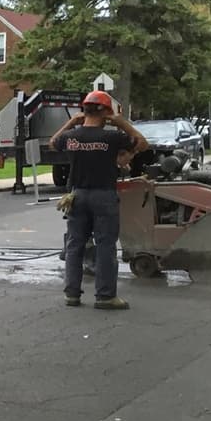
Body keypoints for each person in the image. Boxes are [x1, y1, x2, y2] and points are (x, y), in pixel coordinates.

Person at [49, 89, 148, 309]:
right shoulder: (112, 137)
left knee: (75, 245)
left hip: (76, 196)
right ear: (105, 113)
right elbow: (142, 144)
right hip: (103, 195)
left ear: (84, 111)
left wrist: (71, 122)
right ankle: (105, 296)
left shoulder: (71, 137)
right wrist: (121, 123)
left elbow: (53, 142)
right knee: (105, 246)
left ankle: (71, 294)